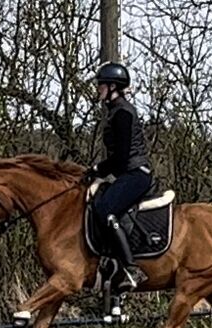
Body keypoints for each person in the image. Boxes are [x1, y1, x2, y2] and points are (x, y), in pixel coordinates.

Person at [85, 61, 153, 292]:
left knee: (106, 209)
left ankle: (132, 269)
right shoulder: (115, 111)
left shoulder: (122, 112)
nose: (98, 89)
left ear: (112, 86)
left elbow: (122, 157)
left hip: (136, 173)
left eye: (101, 85)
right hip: (127, 173)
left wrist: (98, 170)